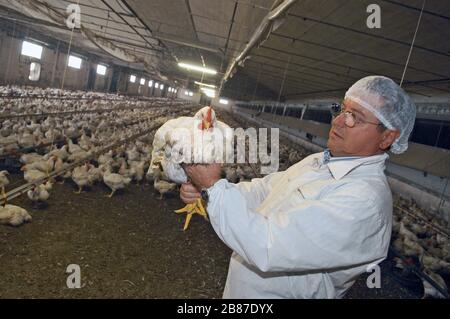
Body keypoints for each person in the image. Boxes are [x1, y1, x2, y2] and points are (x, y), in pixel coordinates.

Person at [180, 75, 416, 298]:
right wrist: (209, 192)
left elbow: (268, 245)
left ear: (387, 138)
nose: (339, 121)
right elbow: (264, 191)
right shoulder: (319, 162)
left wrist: (213, 185)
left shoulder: (364, 201)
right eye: (342, 109)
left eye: (356, 116)